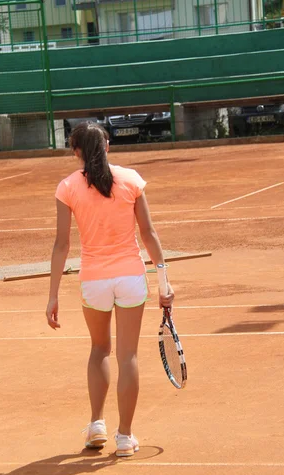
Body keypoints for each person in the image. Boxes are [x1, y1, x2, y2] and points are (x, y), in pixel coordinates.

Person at [46, 122, 173, 457]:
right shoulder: (131, 180)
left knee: (99, 350)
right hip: (131, 278)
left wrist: (53, 295)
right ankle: (124, 437)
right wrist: (163, 281)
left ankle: (96, 425)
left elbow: (61, 244)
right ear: (107, 147)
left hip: (94, 281)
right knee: (127, 355)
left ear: (77, 151)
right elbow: (149, 233)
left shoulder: (68, 187)